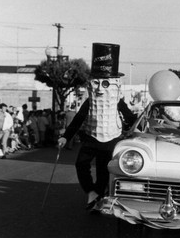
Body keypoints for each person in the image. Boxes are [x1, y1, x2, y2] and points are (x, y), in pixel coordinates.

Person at [58, 43, 137, 210]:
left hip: (111, 140)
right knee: (81, 164)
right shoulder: (89, 102)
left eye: (105, 83)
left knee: (104, 170)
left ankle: (97, 198)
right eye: (97, 83)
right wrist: (66, 136)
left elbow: (130, 117)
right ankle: (92, 192)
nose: (100, 88)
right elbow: (78, 118)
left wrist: (135, 129)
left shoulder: (118, 102)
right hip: (91, 138)